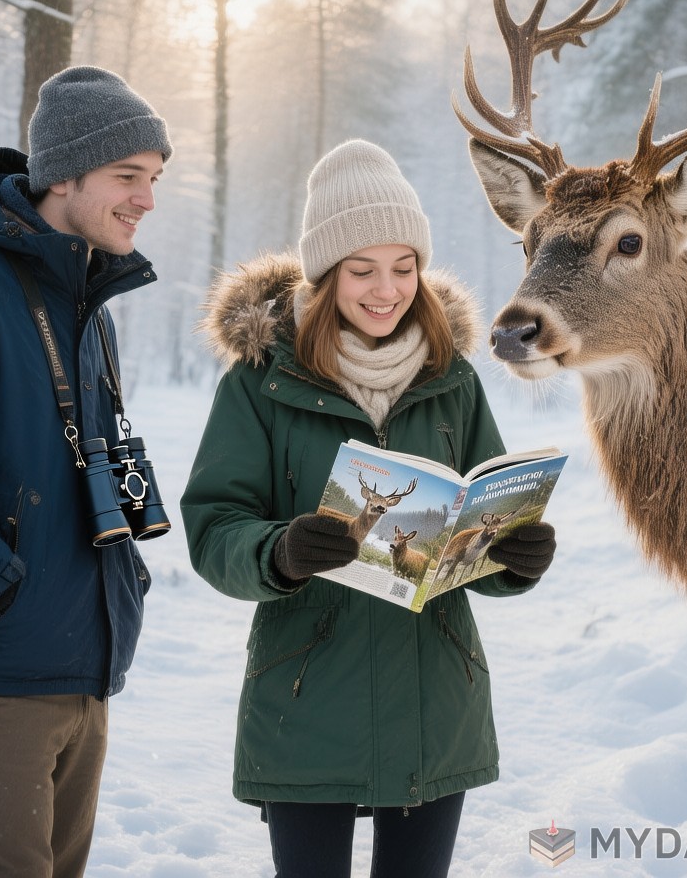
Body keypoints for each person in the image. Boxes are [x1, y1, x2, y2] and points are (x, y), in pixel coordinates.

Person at [181, 138, 557, 878]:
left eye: (404, 267)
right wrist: (278, 552)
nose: (386, 290)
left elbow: (476, 524)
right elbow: (213, 525)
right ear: (325, 275)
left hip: (435, 705)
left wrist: (515, 556)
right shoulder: (261, 384)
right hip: (306, 698)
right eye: (362, 270)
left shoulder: (454, 381)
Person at [0, 65, 173, 878]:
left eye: (153, 179)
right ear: (64, 175)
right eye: (128, 176)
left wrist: (122, 582)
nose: (146, 200)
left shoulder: (83, 306)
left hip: (79, 664)